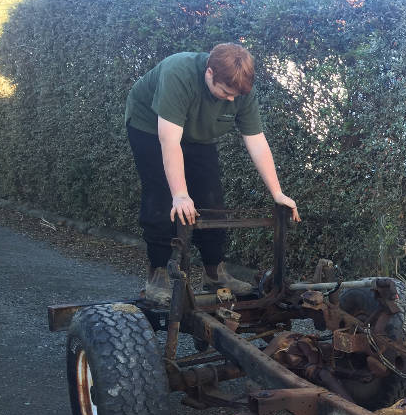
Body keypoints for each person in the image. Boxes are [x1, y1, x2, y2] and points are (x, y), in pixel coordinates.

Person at [125, 43, 300, 304]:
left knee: (212, 199)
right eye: (226, 92)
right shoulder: (178, 73)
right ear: (209, 73)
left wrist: (278, 193)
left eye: (235, 95)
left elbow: (256, 140)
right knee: (162, 197)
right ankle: (157, 273)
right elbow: (170, 141)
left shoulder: (240, 89)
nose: (231, 99)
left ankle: (214, 273)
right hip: (150, 128)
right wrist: (180, 194)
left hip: (197, 134)